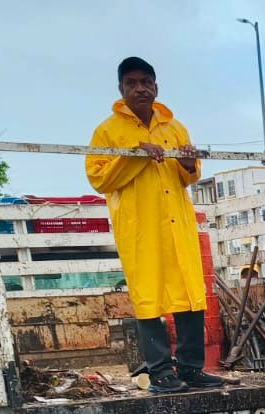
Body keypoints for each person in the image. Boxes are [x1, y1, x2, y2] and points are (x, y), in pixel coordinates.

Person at [85, 56, 227, 394]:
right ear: (121, 89)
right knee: (148, 295)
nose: (140, 89)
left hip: (177, 223)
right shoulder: (108, 131)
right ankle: (160, 371)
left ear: (156, 87)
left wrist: (189, 163)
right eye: (132, 83)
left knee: (190, 293)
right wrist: (134, 154)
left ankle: (191, 368)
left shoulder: (174, 127)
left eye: (145, 82)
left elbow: (188, 176)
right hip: (141, 226)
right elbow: (99, 178)